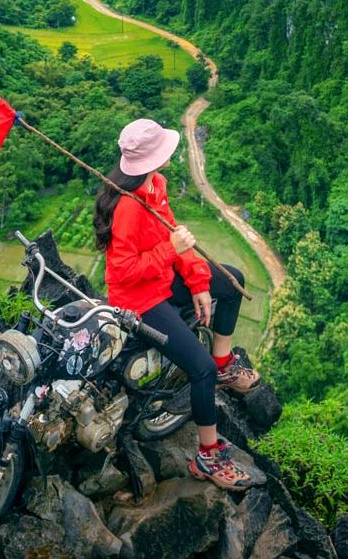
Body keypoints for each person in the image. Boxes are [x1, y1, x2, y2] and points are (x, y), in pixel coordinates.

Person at [95, 117, 261, 491]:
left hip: (162, 278)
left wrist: (199, 282)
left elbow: (175, 237)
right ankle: (208, 456)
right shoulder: (128, 207)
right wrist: (171, 251)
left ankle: (224, 363)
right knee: (199, 370)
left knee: (231, 281)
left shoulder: (156, 184)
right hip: (139, 299)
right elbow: (123, 273)